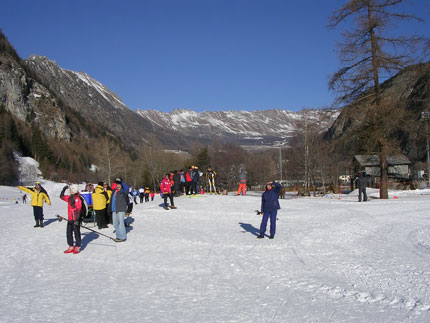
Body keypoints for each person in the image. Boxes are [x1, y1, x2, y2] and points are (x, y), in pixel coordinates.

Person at [60, 184, 84, 254]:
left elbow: (79, 210)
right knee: (68, 232)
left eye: (71, 189)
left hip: (76, 219)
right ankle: (70, 246)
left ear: (74, 190)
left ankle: (77, 246)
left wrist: (77, 220)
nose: (70, 191)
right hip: (70, 218)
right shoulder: (69, 197)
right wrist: (63, 189)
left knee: (76, 232)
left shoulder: (78, 199)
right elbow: (62, 197)